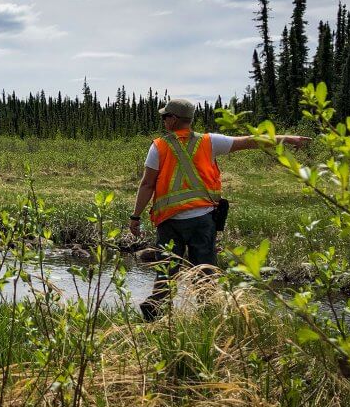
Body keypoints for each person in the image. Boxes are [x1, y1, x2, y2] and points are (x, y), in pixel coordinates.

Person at [128, 98, 309, 320]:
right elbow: (250, 141)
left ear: (174, 119)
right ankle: (208, 317)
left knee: (167, 271)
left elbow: (147, 184)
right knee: (205, 273)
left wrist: (135, 216)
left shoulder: (159, 146)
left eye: (165, 117)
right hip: (203, 221)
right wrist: (287, 139)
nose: (164, 120)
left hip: (169, 222)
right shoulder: (209, 142)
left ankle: (155, 312)